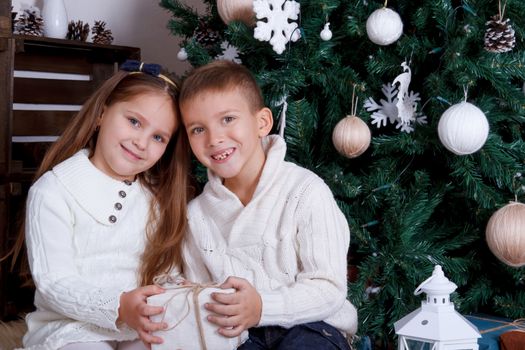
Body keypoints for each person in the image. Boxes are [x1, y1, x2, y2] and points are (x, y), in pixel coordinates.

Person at [177, 60, 358, 349]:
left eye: (227, 119)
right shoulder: (196, 217)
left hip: (312, 327)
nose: (214, 138)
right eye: (198, 129)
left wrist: (262, 306)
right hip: (239, 337)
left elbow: (329, 288)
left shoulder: (305, 191)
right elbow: (202, 298)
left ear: (262, 123)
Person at [12, 60, 191, 349]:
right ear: (102, 114)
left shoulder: (156, 197)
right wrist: (118, 307)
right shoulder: (54, 190)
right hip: (71, 328)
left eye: (158, 137)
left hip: (137, 325)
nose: (141, 142)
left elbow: (164, 271)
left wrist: (175, 290)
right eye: (134, 121)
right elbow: (55, 283)